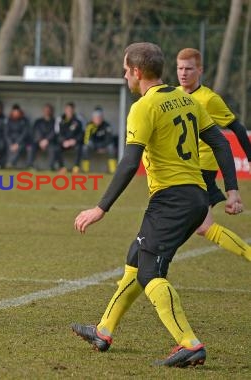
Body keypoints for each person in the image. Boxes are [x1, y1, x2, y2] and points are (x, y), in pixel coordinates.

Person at [72, 42, 242, 367]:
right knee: (136, 260)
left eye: (125, 70)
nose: (124, 76)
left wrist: (100, 208)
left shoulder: (144, 107)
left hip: (171, 200)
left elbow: (128, 162)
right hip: (194, 196)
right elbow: (220, 140)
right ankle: (104, 330)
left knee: (151, 273)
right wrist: (231, 190)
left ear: (137, 72)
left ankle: (189, 343)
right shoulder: (186, 99)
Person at [177, 48, 251, 261]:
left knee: (172, 225)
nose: (183, 73)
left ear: (199, 70)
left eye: (189, 68)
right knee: (203, 227)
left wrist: (249, 156)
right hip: (184, 166)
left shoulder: (209, 99)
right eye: (180, 68)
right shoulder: (174, 94)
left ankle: (139, 271)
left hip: (202, 167)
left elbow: (236, 127)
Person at [81, 106, 117, 174]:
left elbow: (109, 139)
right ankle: (85, 170)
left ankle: (113, 170)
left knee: (111, 147)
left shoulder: (106, 125)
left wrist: (102, 147)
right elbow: (87, 139)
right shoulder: (89, 125)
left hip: (104, 146)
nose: (98, 119)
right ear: (93, 118)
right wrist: (97, 148)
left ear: (102, 117)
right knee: (85, 147)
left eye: (99, 117)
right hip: (94, 146)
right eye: (96, 117)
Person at [27, 103, 57, 170]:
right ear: (43, 111)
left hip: (50, 142)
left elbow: (54, 132)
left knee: (53, 149)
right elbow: (35, 132)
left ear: (52, 111)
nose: (47, 112)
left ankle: (51, 167)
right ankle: (30, 166)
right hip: (38, 142)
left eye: (49, 110)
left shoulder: (55, 122)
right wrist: (40, 141)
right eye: (46, 110)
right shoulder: (38, 121)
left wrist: (46, 140)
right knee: (30, 147)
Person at [57, 102, 84, 174]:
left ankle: (76, 167)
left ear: (73, 110)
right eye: (68, 110)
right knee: (56, 147)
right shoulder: (61, 121)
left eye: (71, 110)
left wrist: (74, 140)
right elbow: (59, 134)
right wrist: (64, 141)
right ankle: (61, 167)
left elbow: (81, 134)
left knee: (80, 147)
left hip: (75, 143)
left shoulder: (78, 121)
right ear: (65, 110)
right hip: (65, 143)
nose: (69, 111)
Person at [4, 104, 31, 168]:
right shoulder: (8, 121)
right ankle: (6, 163)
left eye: (17, 113)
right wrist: (10, 143)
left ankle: (10, 163)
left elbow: (24, 134)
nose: (16, 114)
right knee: (5, 146)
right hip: (10, 142)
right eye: (14, 113)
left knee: (20, 147)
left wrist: (17, 143)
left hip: (21, 142)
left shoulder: (24, 121)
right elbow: (6, 134)